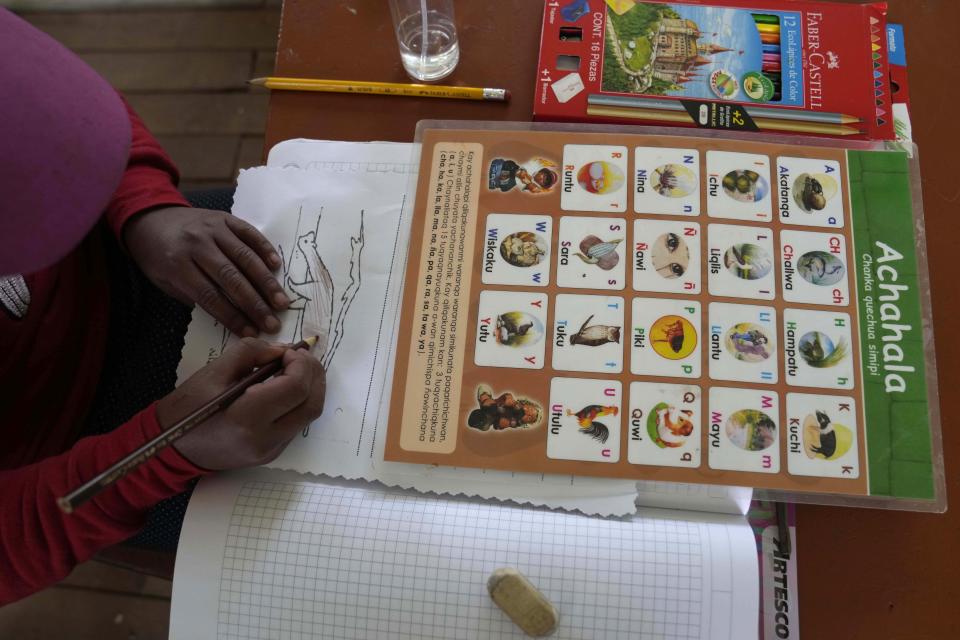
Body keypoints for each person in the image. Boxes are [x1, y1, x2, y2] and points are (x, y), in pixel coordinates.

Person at [0, 10, 327, 603]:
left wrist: (145, 206)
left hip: (132, 251)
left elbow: (57, 105)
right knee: (331, 543)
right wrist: (160, 453)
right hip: (83, 458)